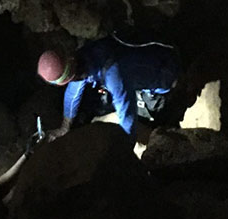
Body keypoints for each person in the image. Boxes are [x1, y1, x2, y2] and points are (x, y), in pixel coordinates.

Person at [37, 35, 179, 141]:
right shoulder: (82, 57)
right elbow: (72, 93)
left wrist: (124, 150)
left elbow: (127, 115)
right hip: (136, 67)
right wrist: (65, 127)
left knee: (153, 115)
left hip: (164, 79)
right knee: (95, 102)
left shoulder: (113, 75)